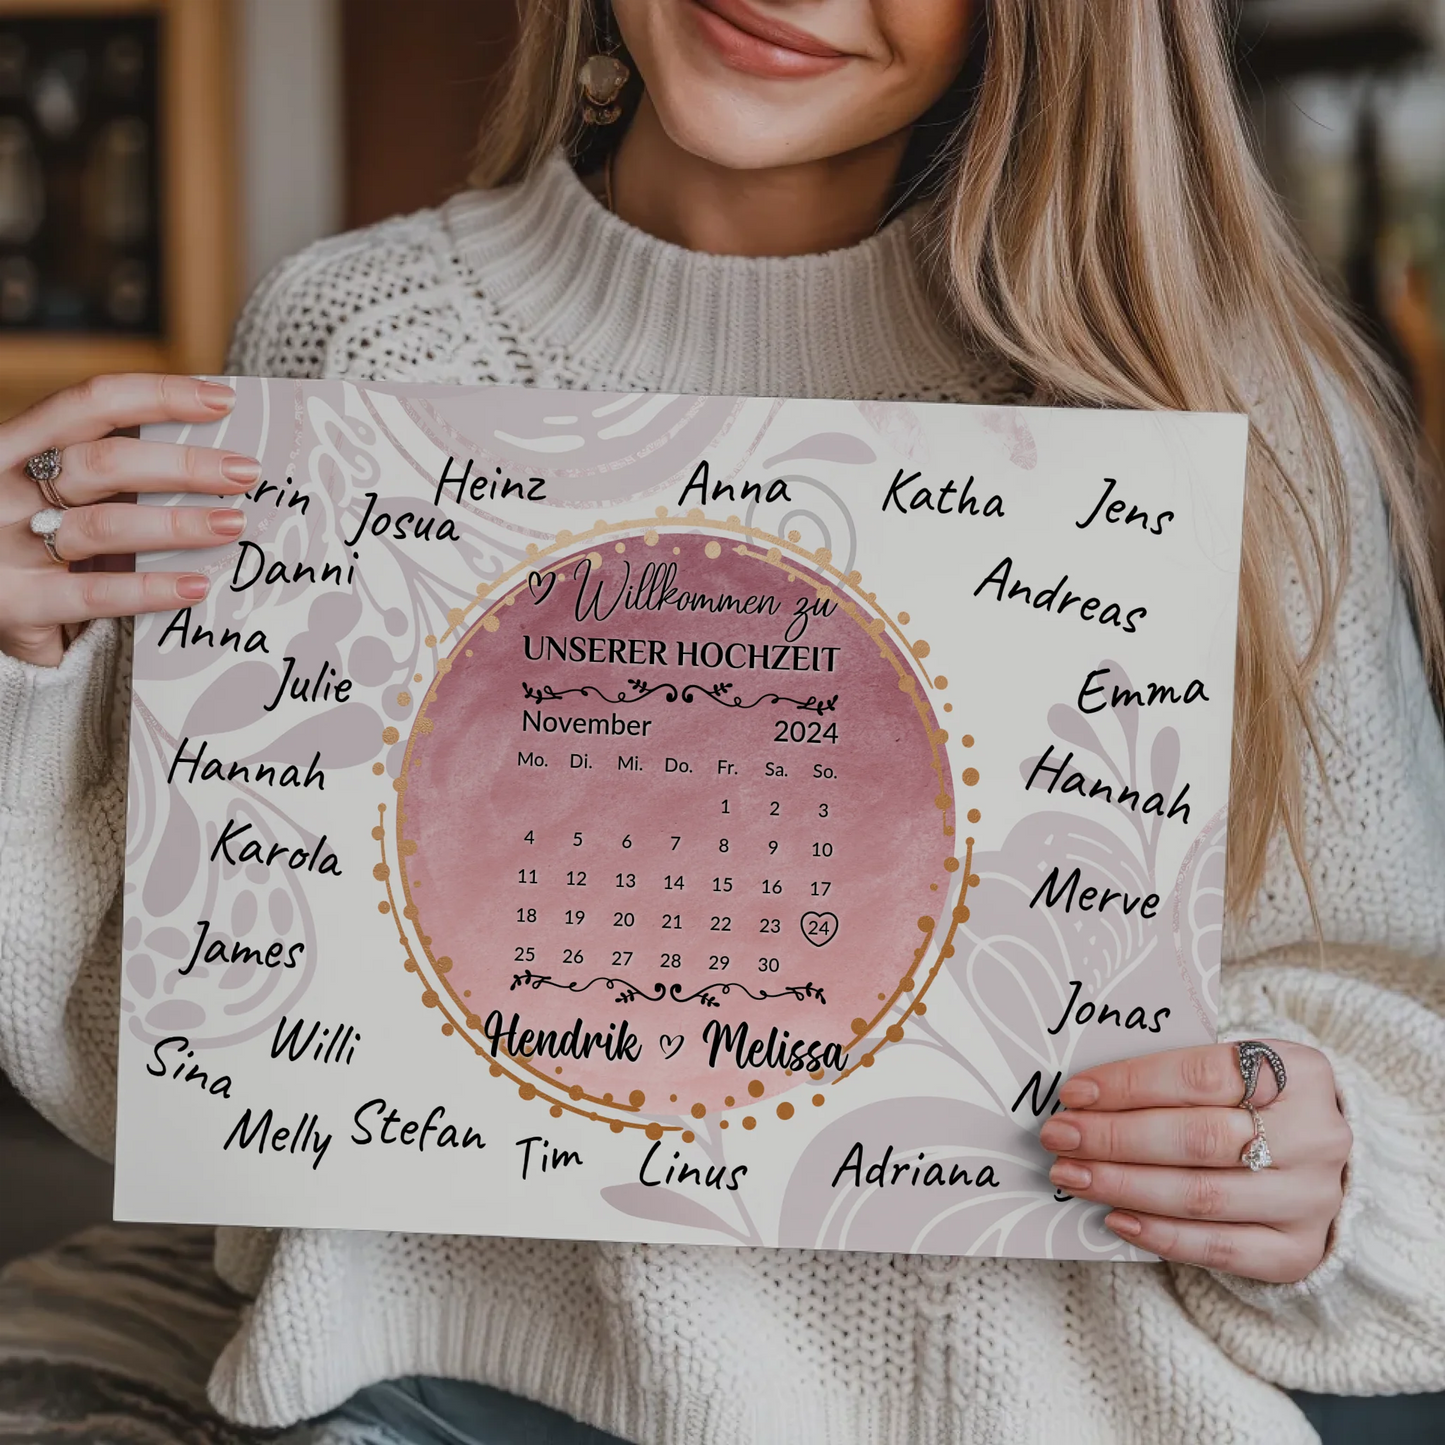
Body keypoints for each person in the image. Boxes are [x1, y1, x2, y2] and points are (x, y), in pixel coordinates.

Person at [1, 2, 1444, 1442]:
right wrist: (26, 656)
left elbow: (1396, 1034)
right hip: (440, 1408)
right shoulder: (352, 336)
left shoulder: (1213, 399)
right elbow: (192, 1062)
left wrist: (1333, 1173)